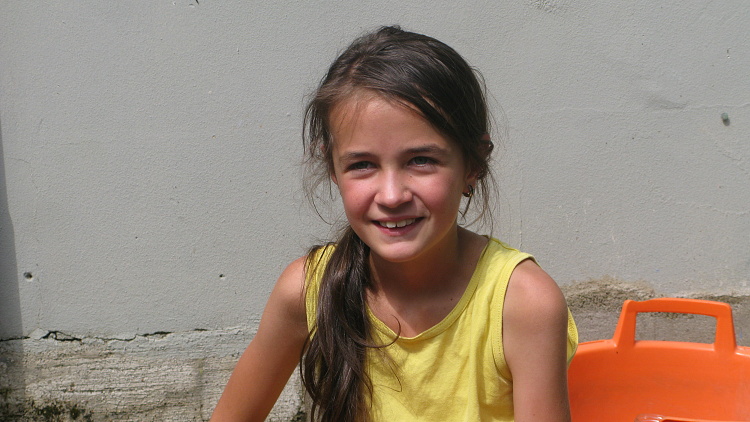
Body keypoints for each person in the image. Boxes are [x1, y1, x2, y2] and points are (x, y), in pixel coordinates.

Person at [210, 25, 577, 422]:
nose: (391, 195)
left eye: (421, 160)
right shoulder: (307, 289)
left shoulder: (522, 302)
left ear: (472, 164)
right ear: (333, 169)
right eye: (362, 165)